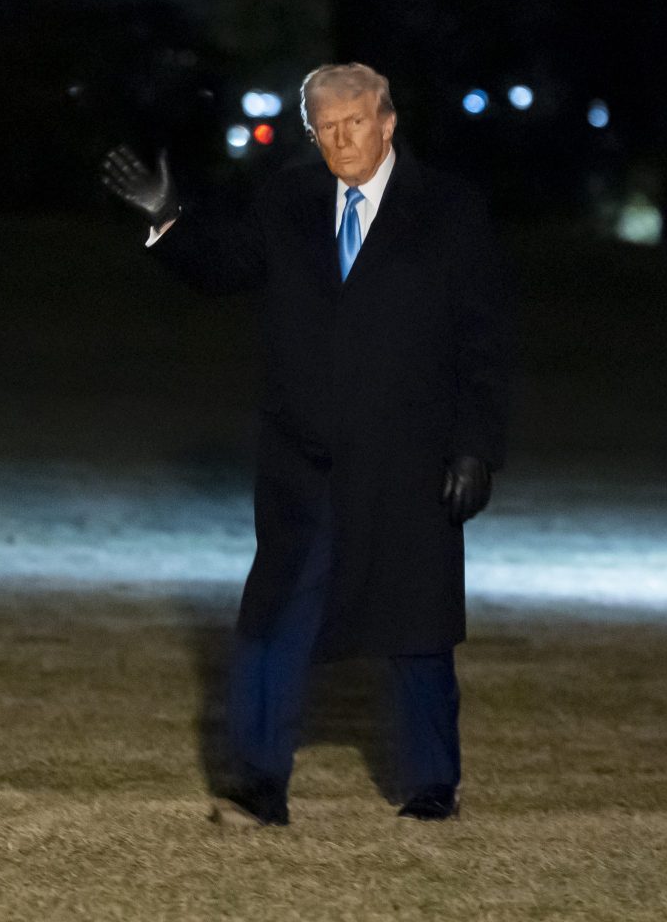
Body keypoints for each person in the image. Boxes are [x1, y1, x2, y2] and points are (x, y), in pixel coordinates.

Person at [101, 62, 514, 827]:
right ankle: (258, 782)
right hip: (305, 458)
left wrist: (474, 447)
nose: (340, 139)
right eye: (324, 126)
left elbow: (482, 338)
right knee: (274, 619)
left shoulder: (449, 209)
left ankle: (432, 785)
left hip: (409, 458)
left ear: (387, 123)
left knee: (416, 626)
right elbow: (225, 268)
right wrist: (169, 218)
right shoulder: (288, 200)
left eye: (354, 122)